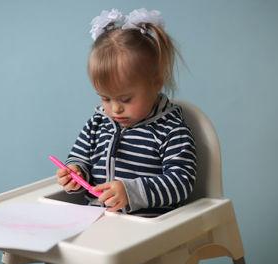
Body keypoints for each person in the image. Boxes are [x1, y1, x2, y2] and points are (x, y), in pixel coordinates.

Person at [56, 8, 196, 217]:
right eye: (105, 98)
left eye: (126, 99)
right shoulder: (97, 124)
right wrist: (74, 173)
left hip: (145, 230)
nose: (115, 109)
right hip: (96, 221)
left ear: (156, 84)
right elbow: (79, 159)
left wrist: (131, 192)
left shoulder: (171, 129)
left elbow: (181, 182)